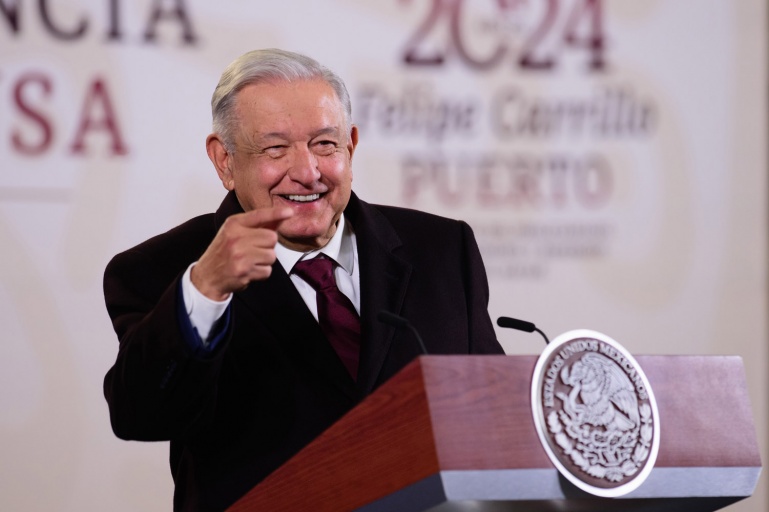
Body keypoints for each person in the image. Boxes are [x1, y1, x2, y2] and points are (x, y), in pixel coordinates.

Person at [103, 48, 504, 512]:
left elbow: (489, 412)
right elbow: (142, 416)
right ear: (224, 160)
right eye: (275, 148)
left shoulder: (440, 248)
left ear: (350, 145)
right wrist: (204, 293)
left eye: (324, 144)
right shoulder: (164, 268)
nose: (307, 171)